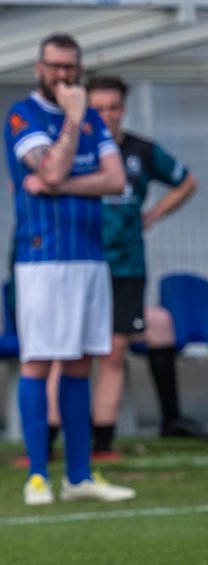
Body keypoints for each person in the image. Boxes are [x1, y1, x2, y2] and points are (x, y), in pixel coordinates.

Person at [5, 33, 134, 505]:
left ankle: (79, 476)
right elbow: (51, 170)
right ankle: (38, 475)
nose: (63, 75)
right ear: (39, 66)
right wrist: (74, 121)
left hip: (89, 256)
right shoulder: (24, 115)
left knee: (81, 363)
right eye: (55, 66)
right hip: (43, 259)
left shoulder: (95, 118)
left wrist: (60, 185)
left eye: (70, 67)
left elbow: (115, 179)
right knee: (38, 362)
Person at [84, 74, 203, 458]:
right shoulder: (77, 151)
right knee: (75, 354)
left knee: (115, 351)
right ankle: (57, 436)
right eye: (98, 109)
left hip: (127, 268)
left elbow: (187, 182)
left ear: (124, 109)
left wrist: (153, 214)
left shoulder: (142, 151)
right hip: (81, 268)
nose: (107, 115)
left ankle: (104, 441)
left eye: (113, 107)